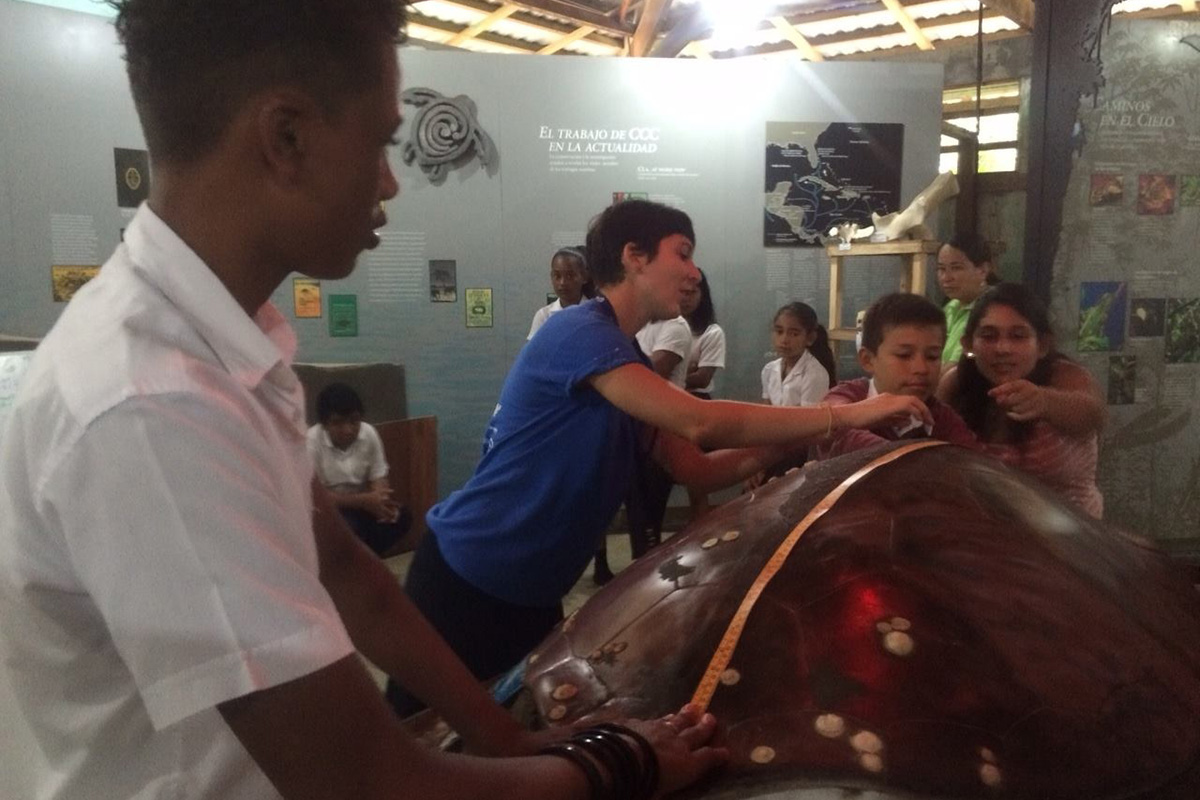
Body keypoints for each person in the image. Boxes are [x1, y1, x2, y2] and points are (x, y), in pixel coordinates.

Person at [0, 3, 728, 798]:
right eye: (380, 144)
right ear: (286, 137)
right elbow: (364, 781)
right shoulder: (154, 402)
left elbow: (350, 574)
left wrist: (512, 737)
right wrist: (623, 765)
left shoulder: (226, 341)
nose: (389, 182)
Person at [387, 198, 933, 717]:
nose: (694, 273)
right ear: (634, 256)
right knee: (421, 746)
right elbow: (701, 422)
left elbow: (697, 467)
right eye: (683, 253)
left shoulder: (623, 358)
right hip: (469, 577)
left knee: (501, 744)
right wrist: (847, 414)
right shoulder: (579, 331)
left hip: (530, 593)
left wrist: (800, 442)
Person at [937, 283, 1105, 517]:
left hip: (1071, 533)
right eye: (989, 336)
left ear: (1042, 345)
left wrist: (1044, 401)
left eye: (1018, 336)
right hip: (980, 532)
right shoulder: (956, 383)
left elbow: (1092, 413)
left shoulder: (1065, 376)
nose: (1003, 348)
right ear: (967, 345)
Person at [815, 293, 978, 460]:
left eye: (932, 356)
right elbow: (836, 429)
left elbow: (973, 461)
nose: (921, 368)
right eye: (904, 355)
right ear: (868, 360)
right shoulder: (848, 397)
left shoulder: (941, 418)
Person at [307, 382, 412, 557]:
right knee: (351, 527)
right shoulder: (311, 441)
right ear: (324, 424)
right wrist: (364, 501)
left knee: (401, 517)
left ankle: (366, 559)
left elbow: (379, 476)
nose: (348, 430)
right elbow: (316, 497)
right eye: (338, 423)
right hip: (327, 510)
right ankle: (352, 562)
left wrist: (380, 501)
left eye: (354, 421)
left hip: (363, 505)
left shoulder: (369, 433)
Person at [760, 301, 836, 409]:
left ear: (810, 338)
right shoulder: (769, 370)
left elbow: (808, 418)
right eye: (779, 332)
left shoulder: (815, 374)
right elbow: (765, 410)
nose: (784, 340)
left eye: (794, 334)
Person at [937, 233, 998, 366]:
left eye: (956, 268)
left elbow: (956, 369)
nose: (946, 277)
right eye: (941, 268)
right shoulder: (951, 307)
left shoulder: (992, 311)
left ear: (983, 270)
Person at [527, 246, 592, 340]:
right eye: (557, 276)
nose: (562, 282)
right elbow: (534, 349)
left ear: (584, 277)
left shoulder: (595, 313)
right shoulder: (544, 315)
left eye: (570, 276)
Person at [682, 269, 725, 400]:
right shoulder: (658, 325)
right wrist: (687, 370)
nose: (686, 298)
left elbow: (702, 379)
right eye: (682, 292)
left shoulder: (712, 332)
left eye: (692, 292)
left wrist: (669, 374)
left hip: (696, 399)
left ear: (702, 295)